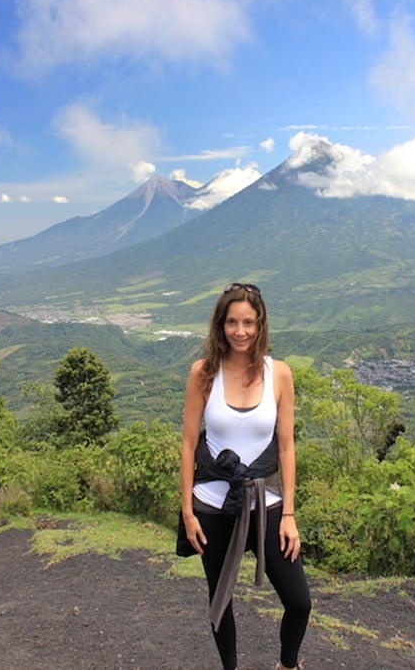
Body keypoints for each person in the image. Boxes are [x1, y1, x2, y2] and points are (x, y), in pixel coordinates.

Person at [180, 282, 311, 670]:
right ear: (221, 325)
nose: (240, 331)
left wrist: (289, 514)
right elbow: (188, 444)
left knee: (299, 601)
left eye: (248, 322)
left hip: (266, 504)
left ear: (260, 325)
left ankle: (287, 665)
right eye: (232, 322)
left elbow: (286, 447)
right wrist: (187, 512)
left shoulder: (279, 374)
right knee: (221, 600)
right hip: (213, 505)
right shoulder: (204, 373)